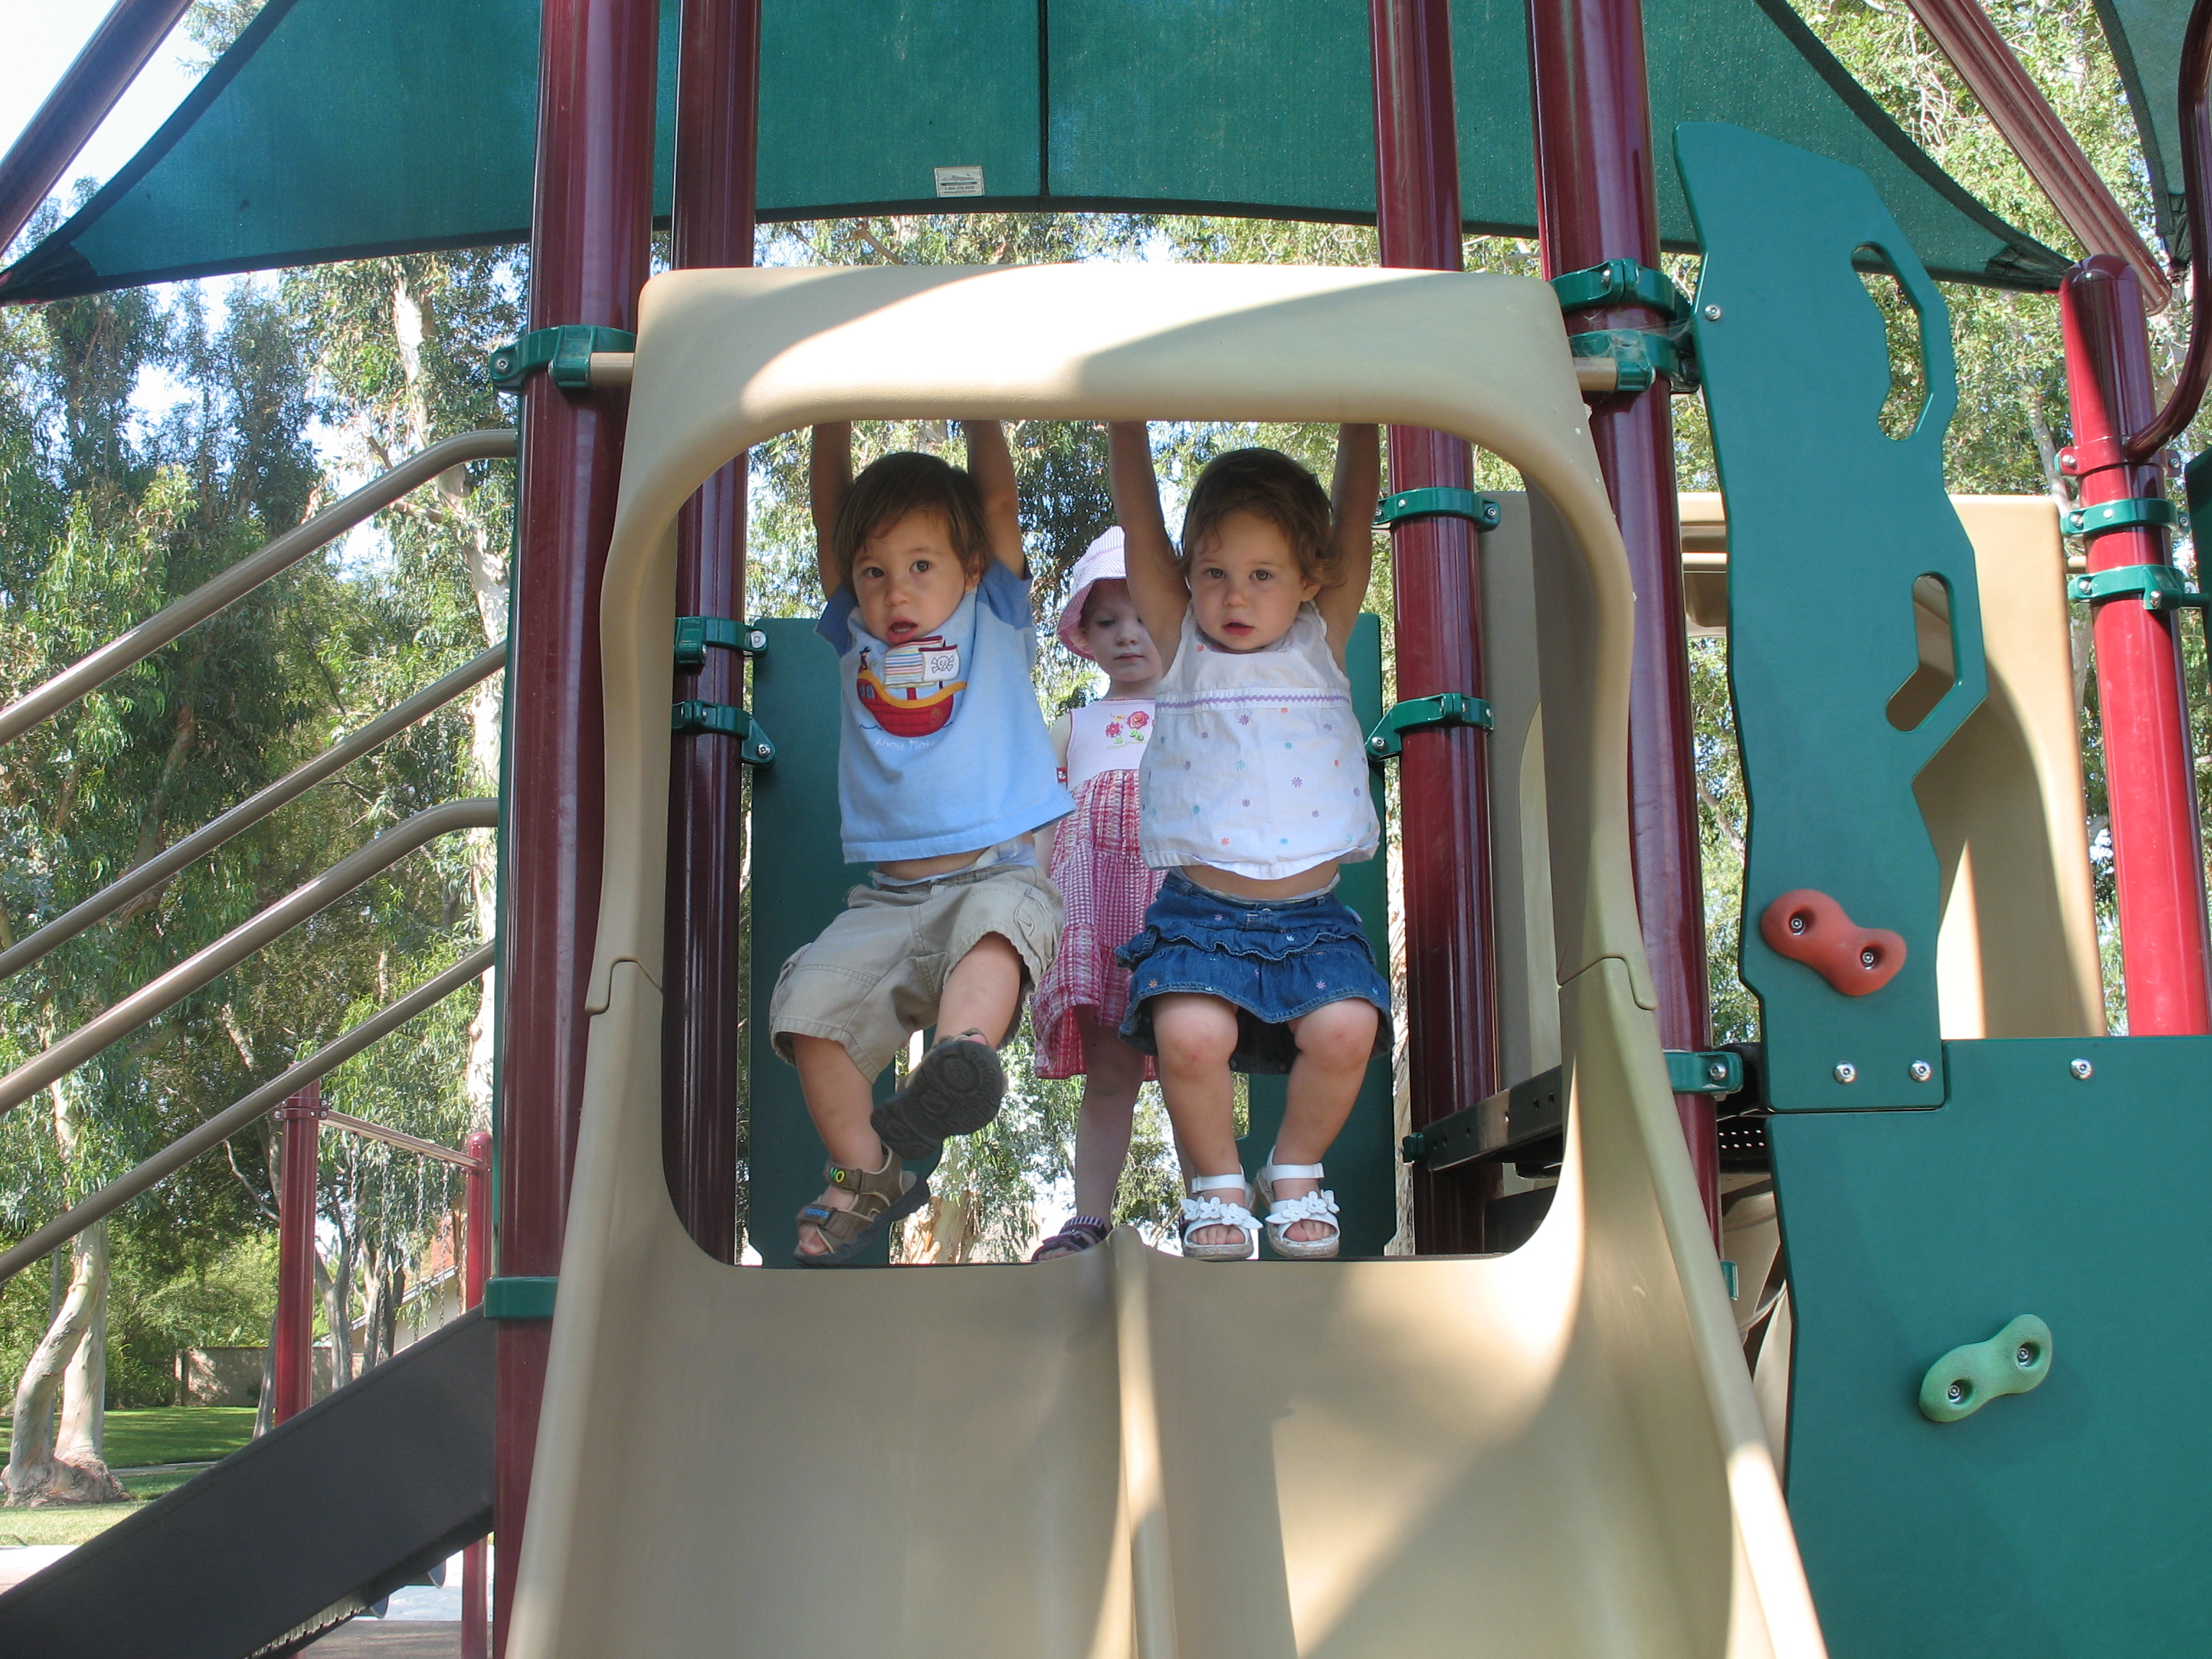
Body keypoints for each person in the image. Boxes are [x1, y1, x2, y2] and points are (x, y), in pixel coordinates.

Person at [771, 421, 1071, 1265]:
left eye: (921, 566)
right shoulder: (856, 634)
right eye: (874, 572)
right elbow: (830, 514)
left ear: (970, 567)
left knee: (992, 941)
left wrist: (978, 407)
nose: (894, 591)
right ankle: (869, 1172)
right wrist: (829, 413)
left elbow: (998, 498)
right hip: (888, 905)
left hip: (995, 876)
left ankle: (957, 1062)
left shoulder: (993, 615)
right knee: (808, 1015)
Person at [1105, 423, 1389, 1261]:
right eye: (1215, 574)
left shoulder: (1320, 639)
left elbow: (1354, 520)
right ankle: (1217, 1187)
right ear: (1187, 578)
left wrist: (1364, 416)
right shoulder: (1181, 642)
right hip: (1201, 915)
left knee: (1348, 1028)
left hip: (1312, 918)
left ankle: (1294, 1170)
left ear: (1309, 580)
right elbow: (1140, 520)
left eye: (1263, 576)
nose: (1236, 597)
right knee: (1190, 1036)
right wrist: (1123, 419)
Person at [1028, 529, 1167, 1262]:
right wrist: (1031, 913)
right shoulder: (1074, 727)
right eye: (1108, 621)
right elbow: (1045, 831)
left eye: (1144, 616)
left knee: (1194, 1058)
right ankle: (1090, 1216)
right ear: (1086, 635)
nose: (1128, 635)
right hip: (1101, 918)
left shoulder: (1198, 713)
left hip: (1181, 915)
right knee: (1112, 1072)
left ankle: (1214, 1201)